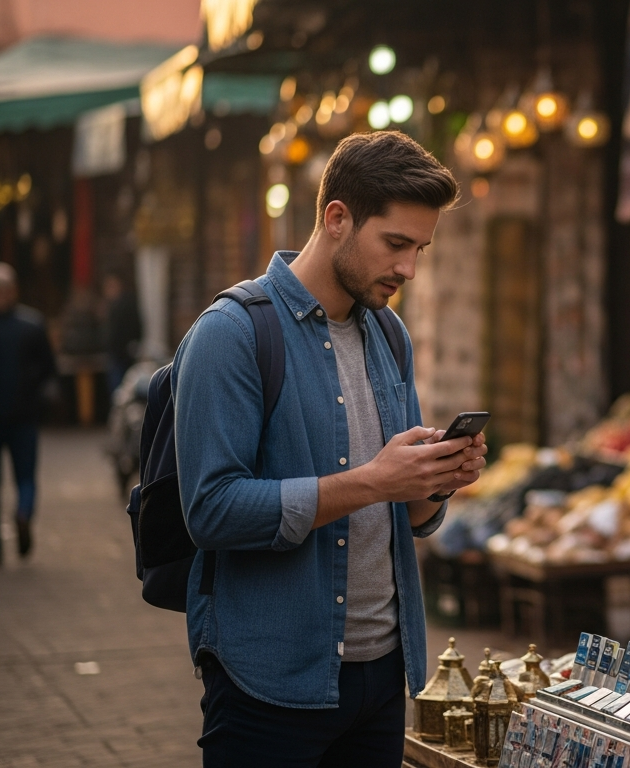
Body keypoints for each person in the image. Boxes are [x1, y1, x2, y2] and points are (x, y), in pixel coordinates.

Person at [171, 131, 486, 766]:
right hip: (271, 679)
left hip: (384, 671)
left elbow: (415, 520)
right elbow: (210, 510)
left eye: (420, 248)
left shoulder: (389, 334)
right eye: (396, 244)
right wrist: (375, 480)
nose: (409, 270)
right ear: (336, 218)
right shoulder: (230, 334)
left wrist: (436, 479)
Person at [0, 262, 57, 565]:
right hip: (7, 419)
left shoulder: (26, 326)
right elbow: (50, 371)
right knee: (13, 479)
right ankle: (19, 517)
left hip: (3, 420)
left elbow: (48, 370)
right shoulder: (32, 324)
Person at [102, 272, 142, 394]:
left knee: (119, 392)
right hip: (122, 355)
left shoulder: (121, 306)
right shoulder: (119, 304)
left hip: (120, 357)